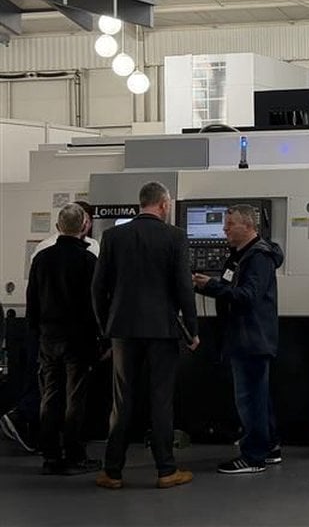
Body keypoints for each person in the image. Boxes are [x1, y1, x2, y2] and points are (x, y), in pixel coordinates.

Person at [91, 182, 199, 489]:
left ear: (141, 203)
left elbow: (98, 288)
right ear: (164, 205)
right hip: (162, 330)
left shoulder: (113, 237)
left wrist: (105, 328)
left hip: (123, 331)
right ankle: (166, 470)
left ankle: (112, 472)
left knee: (122, 400)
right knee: (161, 400)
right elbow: (184, 287)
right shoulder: (175, 236)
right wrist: (192, 330)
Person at [0, 202, 99, 454]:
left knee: (49, 393)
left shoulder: (41, 257)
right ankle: (73, 452)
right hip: (78, 338)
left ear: (57, 226)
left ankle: (50, 452)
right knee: (74, 396)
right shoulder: (89, 258)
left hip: (47, 336)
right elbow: (95, 302)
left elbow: (32, 298)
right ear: (85, 225)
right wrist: (99, 336)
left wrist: (36, 331)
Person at [193, 204, 284, 474]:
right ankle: (269, 447)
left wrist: (212, 286)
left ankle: (253, 457)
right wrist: (206, 287)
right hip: (245, 337)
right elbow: (231, 287)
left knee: (250, 399)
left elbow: (247, 296)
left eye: (230, 224)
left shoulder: (258, 258)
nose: (224, 230)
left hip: (251, 338)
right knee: (259, 396)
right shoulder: (239, 256)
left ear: (248, 226)